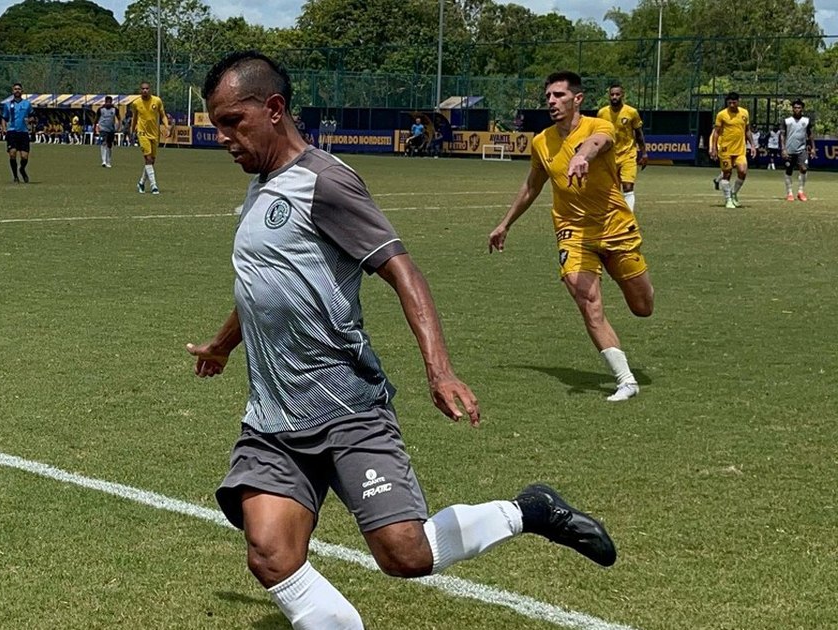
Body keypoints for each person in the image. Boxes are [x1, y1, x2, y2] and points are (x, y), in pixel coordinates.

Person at [192, 51, 617, 630]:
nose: (221, 136)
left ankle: (529, 510)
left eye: (230, 121)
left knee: (406, 555)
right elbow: (265, 289)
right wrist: (223, 345)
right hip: (272, 418)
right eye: (215, 123)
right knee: (271, 554)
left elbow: (403, 271)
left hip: (345, 408)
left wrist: (439, 370)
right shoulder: (263, 186)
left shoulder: (325, 181)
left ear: (273, 109)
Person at [489, 70, 654, 403]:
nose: (551, 101)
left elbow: (599, 143)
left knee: (643, 306)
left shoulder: (599, 125)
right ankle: (625, 380)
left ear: (577, 99)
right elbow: (533, 186)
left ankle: (639, 286)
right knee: (588, 303)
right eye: (548, 96)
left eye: (559, 95)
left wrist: (582, 155)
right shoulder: (541, 141)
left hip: (615, 227)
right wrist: (505, 223)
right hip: (573, 232)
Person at [596, 83, 647, 211]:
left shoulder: (631, 112)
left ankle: (629, 216)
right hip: (610, 156)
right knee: (612, 188)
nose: (614, 97)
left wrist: (644, 153)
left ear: (622, 95)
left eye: (617, 94)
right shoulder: (602, 113)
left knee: (628, 186)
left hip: (628, 154)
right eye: (612, 94)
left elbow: (639, 134)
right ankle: (613, 215)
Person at [709, 92, 756, 209]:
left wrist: (753, 146)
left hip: (740, 150)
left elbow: (747, 130)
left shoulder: (744, 113)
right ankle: (728, 200)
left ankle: (734, 193)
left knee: (743, 171)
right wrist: (713, 148)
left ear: (738, 102)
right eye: (729, 103)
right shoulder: (722, 115)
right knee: (727, 173)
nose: (731, 105)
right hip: (725, 150)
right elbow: (716, 133)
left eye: (734, 102)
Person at [130, 81, 170, 194]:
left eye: (147, 88)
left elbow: (163, 115)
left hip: (154, 134)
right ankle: (154, 186)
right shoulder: (136, 103)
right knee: (147, 159)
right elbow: (134, 118)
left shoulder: (157, 101)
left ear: (150, 90)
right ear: (140, 90)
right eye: (143, 89)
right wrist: (132, 131)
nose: (145, 91)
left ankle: (141, 183)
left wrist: (167, 127)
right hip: (142, 133)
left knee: (151, 161)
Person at [780, 99, 816, 201]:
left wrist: (813, 148)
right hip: (789, 150)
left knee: (804, 168)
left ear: (802, 109)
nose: (797, 109)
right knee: (789, 171)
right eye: (795, 107)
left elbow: (810, 134)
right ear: (792, 109)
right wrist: (783, 149)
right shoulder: (787, 121)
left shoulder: (806, 121)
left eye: (799, 108)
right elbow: (782, 135)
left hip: (802, 149)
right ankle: (790, 193)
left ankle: (800, 192)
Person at [2, 82, 33, 183]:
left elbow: (32, 116)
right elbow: (4, 118)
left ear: (22, 91)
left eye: (19, 89)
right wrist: (4, 128)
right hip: (12, 132)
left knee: (24, 156)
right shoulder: (8, 105)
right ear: (12, 91)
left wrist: (30, 121)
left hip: (23, 132)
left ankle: (22, 169)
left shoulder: (27, 104)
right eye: (15, 89)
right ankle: (15, 176)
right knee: (12, 154)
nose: (17, 91)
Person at [95, 95, 119, 168]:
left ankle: (108, 161)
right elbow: (96, 119)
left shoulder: (115, 110)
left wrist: (118, 126)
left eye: (110, 102)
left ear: (111, 102)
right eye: (107, 102)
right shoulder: (100, 109)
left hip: (111, 129)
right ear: (105, 102)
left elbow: (119, 118)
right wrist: (95, 127)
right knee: (103, 143)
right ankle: (104, 161)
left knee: (109, 145)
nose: (108, 103)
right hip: (103, 129)